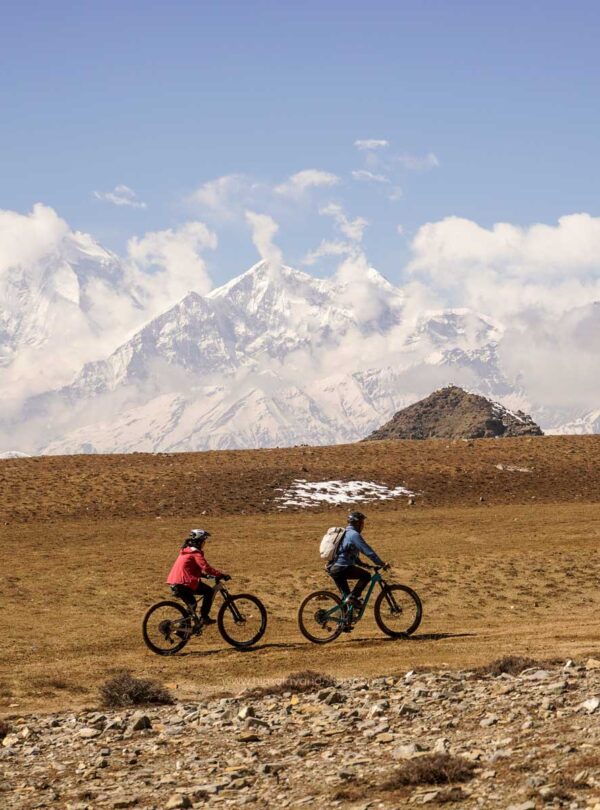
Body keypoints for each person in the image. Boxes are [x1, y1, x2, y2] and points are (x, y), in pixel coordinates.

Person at [167, 529, 230, 626]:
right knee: (209, 592)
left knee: (192, 605)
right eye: (204, 541)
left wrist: (204, 575)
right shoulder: (195, 553)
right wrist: (220, 574)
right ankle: (204, 617)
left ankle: (183, 631)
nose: (204, 544)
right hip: (184, 582)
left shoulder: (185, 551)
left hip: (176, 581)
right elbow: (206, 567)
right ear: (200, 541)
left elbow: (188, 569)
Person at [327, 511, 387, 615]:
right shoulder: (354, 535)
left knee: (346, 598)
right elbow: (367, 550)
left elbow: (349, 555)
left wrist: (364, 565)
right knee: (366, 576)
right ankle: (354, 598)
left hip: (335, 568)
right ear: (358, 523)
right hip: (342, 568)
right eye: (362, 522)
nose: (363, 525)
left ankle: (344, 622)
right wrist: (380, 563)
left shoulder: (346, 533)